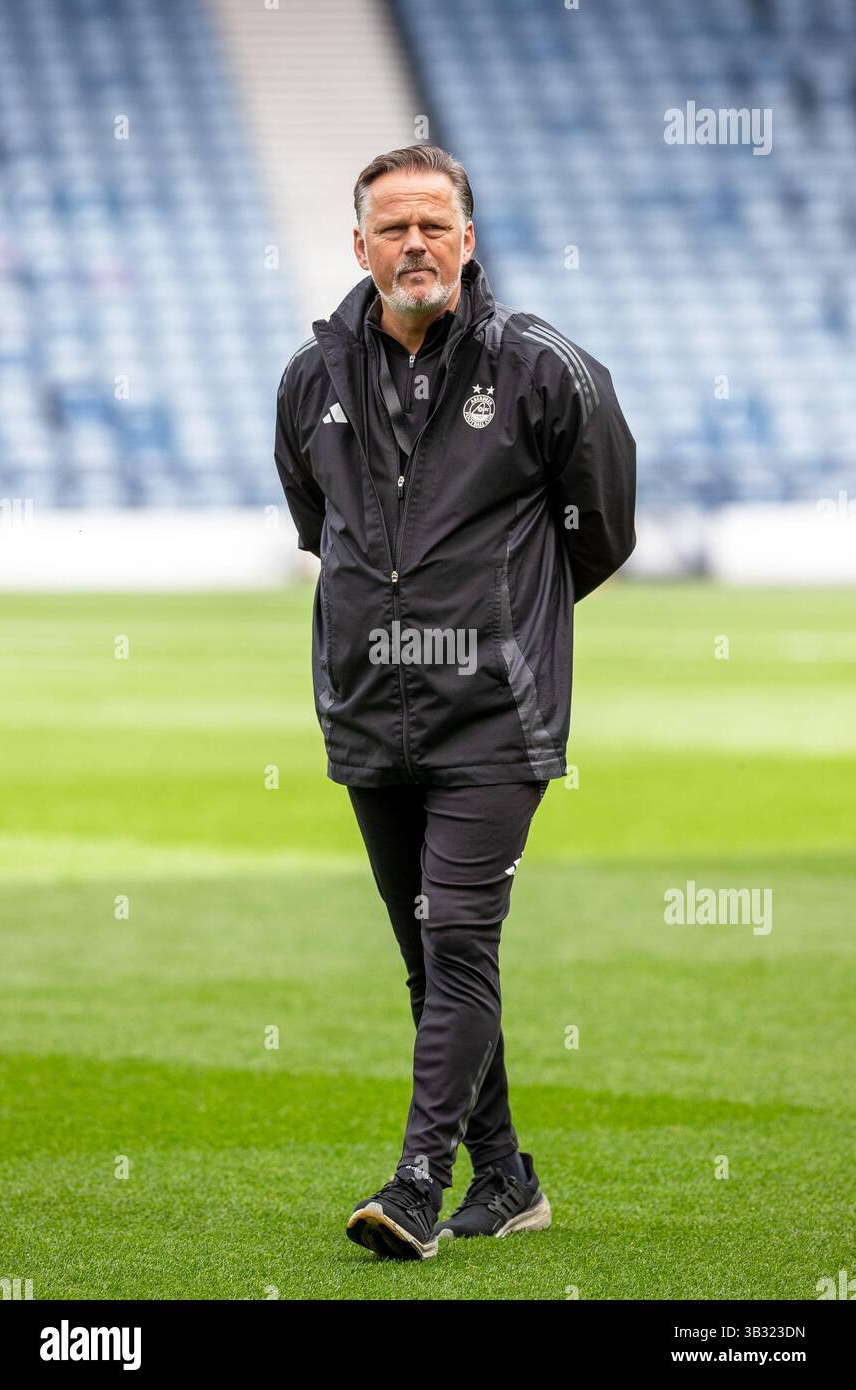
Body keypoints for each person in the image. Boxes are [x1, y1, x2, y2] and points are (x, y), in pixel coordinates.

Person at [274, 144, 636, 1260]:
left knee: (461, 942)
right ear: (359, 248)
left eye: (435, 224)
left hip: (495, 714)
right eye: (394, 228)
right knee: (427, 957)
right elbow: (315, 527)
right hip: (369, 709)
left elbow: (601, 524)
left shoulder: (542, 369)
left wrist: (503, 622)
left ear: (467, 240)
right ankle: (509, 1177)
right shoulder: (309, 378)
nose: (415, 244)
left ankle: (417, 1184)